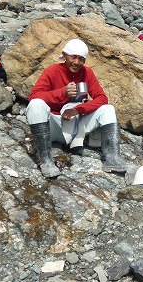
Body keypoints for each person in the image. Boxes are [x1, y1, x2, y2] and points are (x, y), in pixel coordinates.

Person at [26, 39, 131, 178]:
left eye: (81, 59)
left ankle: (112, 159)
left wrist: (78, 109)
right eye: (73, 57)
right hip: (54, 126)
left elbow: (101, 98)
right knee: (35, 105)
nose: (76, 62)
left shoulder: (87, 73)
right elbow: (34, 96)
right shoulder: (52, 71)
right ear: (64, 55)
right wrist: (62, 92)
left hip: (77, 126)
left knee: (108, 109)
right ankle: (46, 161)